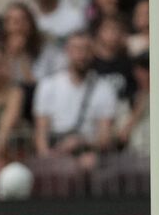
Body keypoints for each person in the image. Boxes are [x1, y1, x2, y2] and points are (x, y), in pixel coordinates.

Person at [33, 33, 119, 166]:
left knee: (88, 162)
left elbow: (104, 136)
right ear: (67, 51)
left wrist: (81, 143)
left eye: (86, 49)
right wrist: (48, 156)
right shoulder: (48, 85)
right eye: (76, 49)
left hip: (87, 151)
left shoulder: (104, 89)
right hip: (55, 149)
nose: (81, 55)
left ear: (92, 53)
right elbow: (41, 131)